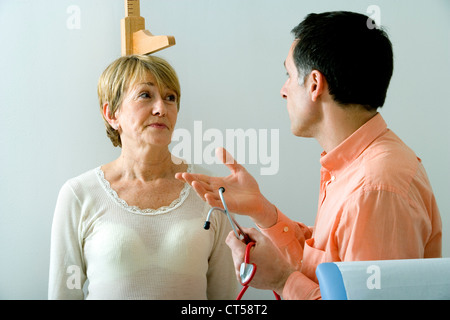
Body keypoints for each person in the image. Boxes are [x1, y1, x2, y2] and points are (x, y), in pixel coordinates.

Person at [176, 11, 442, 299]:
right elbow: (327, 269)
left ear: (314, 84)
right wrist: (263, 211)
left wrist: (281, 280)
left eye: (289, 75)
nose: (283, 90)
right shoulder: (352, 169)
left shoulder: (376, 188)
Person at [49, 54, 237, 299]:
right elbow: (63, 294)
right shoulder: (79, 194)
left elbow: (224, 296)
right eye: (146, 95)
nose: (161, 108)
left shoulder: (209, 190)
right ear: (111, 114)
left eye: (170, 98)